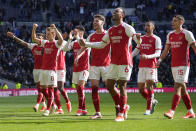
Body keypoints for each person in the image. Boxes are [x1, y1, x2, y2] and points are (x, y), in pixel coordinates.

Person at [79, 7, 141, 122]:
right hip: (114, 63)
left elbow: (137, 41)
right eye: (113, 12)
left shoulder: (127, 28)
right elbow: (102, 44)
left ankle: (121, 113)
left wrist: (138, 39)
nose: (113, 13)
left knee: (122, 86)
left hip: (125, 62)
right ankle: (124, 106)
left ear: (122, 15)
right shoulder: (111, 30)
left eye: (116, 12)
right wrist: (86, 44)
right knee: (109, 85)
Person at [156, 15, 196, 119]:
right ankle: (190, 112)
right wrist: (159, 60)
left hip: (184, 65)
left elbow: (194, 48)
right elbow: (166, 50)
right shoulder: (170, 35)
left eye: (175, 21)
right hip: (174, 65)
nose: (172, 22)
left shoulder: (187, 34)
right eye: (172, 21)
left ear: (181, 21)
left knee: (177, 86)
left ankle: (172, 111)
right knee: (183, 89)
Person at [7, 32, 47, 112]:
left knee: (41, 89)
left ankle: (37, 105)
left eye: (40, 37)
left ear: (43, 39)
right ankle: (46, 105)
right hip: (35, 70)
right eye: (37, 36)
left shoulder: (46, 46)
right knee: (40, 89)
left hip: (43, 70)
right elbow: (22, 42)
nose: (38, 38)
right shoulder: (33, 46)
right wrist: (14, 37)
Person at [32, 23, 64, 116]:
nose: (47, 34)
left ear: (54, 34)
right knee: (43, 90)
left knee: (50, 90)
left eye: (49, 33)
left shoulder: (56, 44)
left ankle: (48, 109)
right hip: (43, 70)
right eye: (47, 33)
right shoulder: (45, 43)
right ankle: (53, 106)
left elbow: (61, 39)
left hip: (51, 70)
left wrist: (56, 29)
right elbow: (34, 39)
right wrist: (34, 29)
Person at [84, 14, 110, 119]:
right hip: (94, 66)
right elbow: (85, 46)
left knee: (111, 88)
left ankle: (121, 106)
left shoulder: (108, 34)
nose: (94, 23)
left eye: (96, 21)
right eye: (94, 21)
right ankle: (98, 113)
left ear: (102, 23)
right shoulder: (91, 36)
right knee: (94, 89)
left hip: (106, 65)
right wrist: (78, 56)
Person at [132, 21, 161, 115]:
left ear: (153, 27)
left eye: (148, 25)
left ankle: (148, 110)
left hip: (151, 66)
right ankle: (153, 101)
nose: (146, 27)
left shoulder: (156, 39)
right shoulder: (141, 39)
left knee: (149, 87)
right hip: (142, 66)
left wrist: (147, 56)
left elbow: (158, 53)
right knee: (140, 89)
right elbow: (136, 50)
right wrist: (128, 57)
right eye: (145, 25)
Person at [63, 25, 90, 116]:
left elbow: (82, 44)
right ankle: (84, 109)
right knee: (79, 89)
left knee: (81, 87)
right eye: (74, 31)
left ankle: (79, 109)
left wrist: (77, 36)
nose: (74, 33)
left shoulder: (87, 41)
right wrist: (69, 39)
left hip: (84, 67)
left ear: (81, 32)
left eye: (76, 31)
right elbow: (65, 49)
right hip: (76, 68)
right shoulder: (73, 43)